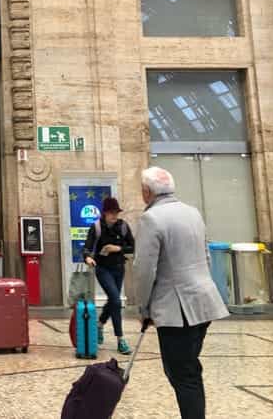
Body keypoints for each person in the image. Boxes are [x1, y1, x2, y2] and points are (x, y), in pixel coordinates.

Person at [134, 167, 228, 419]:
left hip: (177, 309)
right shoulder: (192, 212)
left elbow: (144, 270)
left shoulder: (151, 218)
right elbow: (206, 255)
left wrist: (143, 308)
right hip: (203, 302)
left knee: (182, 373)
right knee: (189, 369)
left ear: (147, 192)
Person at [83, 197, 135, 354]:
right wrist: (88, 257)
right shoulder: (97, 227)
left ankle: (99, 324)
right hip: (103, 269)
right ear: (105, 213)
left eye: (116, 212)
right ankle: (120, 340)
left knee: (114, 301)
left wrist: (117, 248)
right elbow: (87, 247)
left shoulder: (124, 227)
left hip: (119, 268)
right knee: (116, 300)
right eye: (111, 213)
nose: (114, 216)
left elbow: (133, 247)